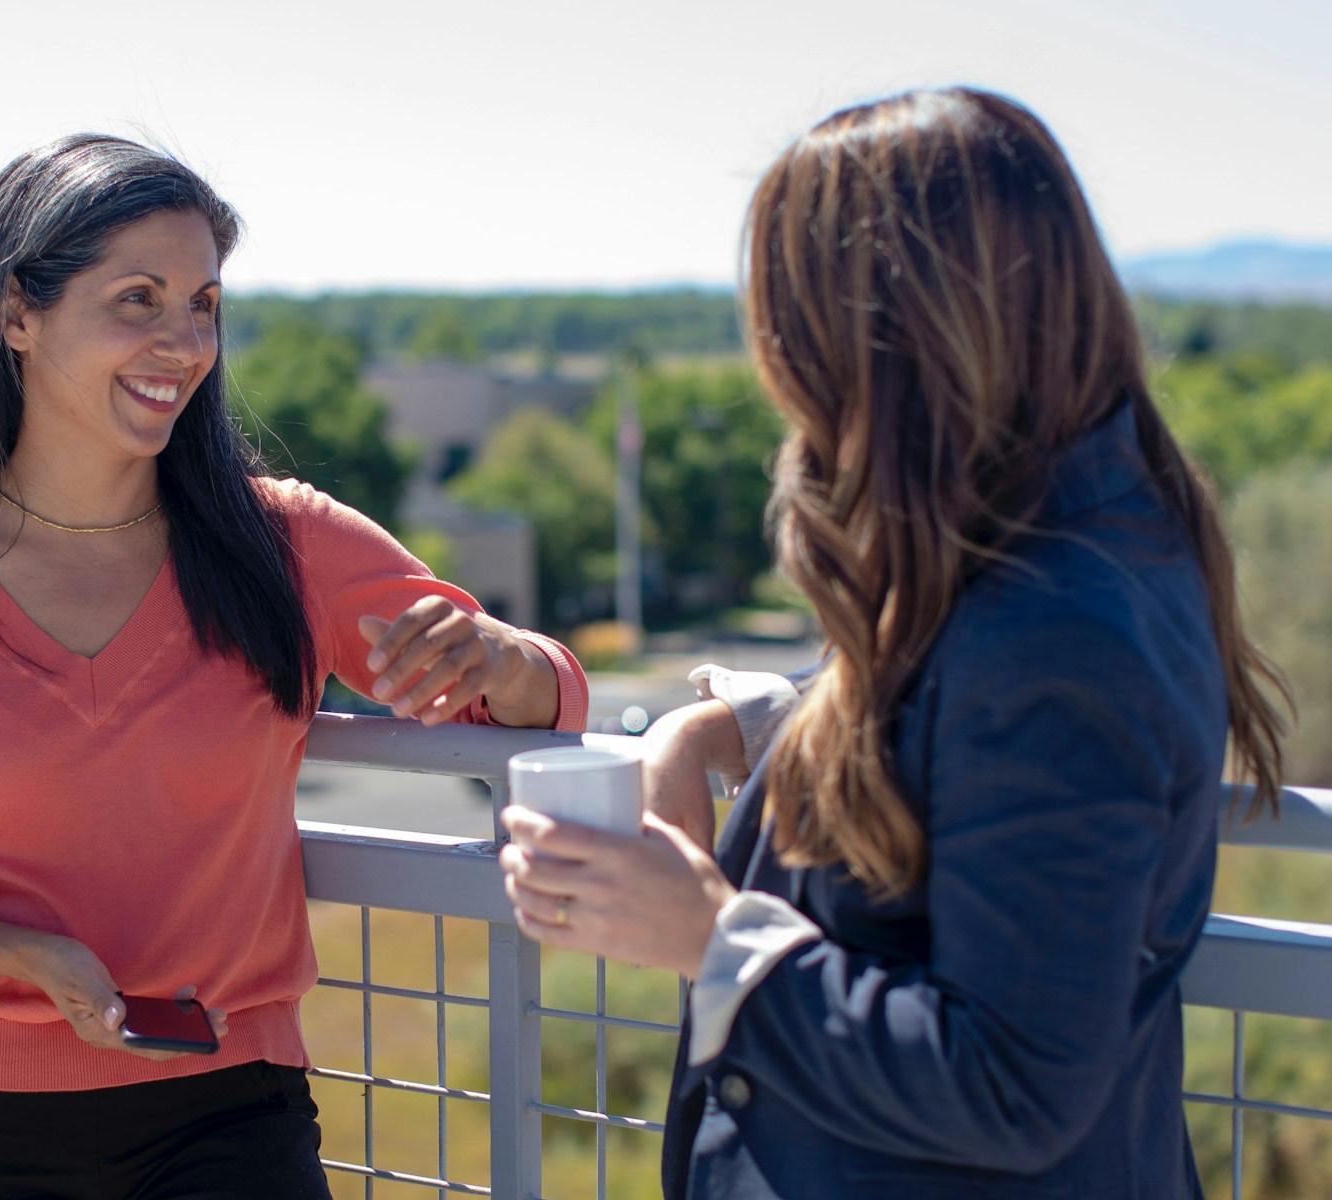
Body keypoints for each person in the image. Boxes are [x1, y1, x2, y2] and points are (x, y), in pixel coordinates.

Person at [498, 88, 1287, 1197]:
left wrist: (714, 940)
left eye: (788, 317)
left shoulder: (1057, 631)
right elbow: (952, 706)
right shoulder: (1080, 535)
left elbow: (1014, 1085)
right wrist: (737, 729)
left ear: (880, 338)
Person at [0, 134, 589, 1199]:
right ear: (18, 314)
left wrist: (498, 656)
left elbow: (550, 701)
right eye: (138, 300)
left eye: (203, 303)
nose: (183, 342)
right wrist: (24, 957)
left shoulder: (285, 543)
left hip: (228, 1112)